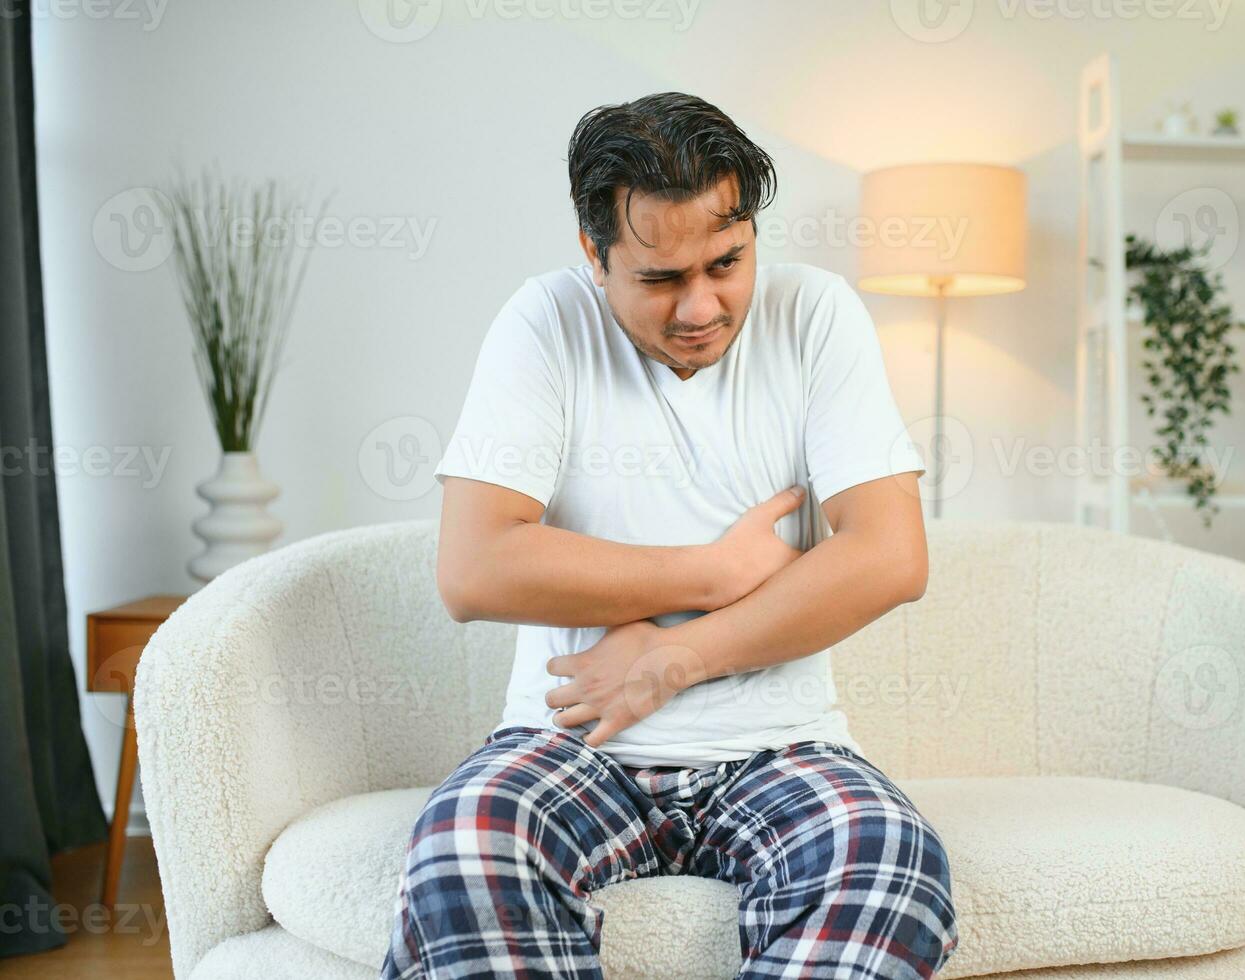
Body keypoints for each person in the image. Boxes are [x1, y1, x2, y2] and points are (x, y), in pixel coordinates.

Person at [382, 91, 958, 980]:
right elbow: (474, 568)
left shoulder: (816, 315)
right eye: (658, 279)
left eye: (725, 263)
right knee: (464, 845)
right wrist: (714, 570)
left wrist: (673, 661)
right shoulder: (544, 323)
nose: (699, 307)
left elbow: (888, 555)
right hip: (569, 742)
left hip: (782, 748)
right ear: (594, 254)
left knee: (887, 860)